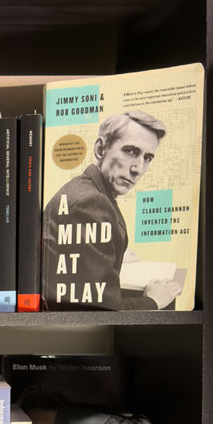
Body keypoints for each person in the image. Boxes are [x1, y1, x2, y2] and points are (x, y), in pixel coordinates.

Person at [41, 110, 186, 311]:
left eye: (147, 157)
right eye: (131, 151)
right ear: (101, 149)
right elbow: (104, 310)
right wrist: (153, 301)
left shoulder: (87, 189)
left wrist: (108, 252)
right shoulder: (90, 203)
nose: (138, 168)